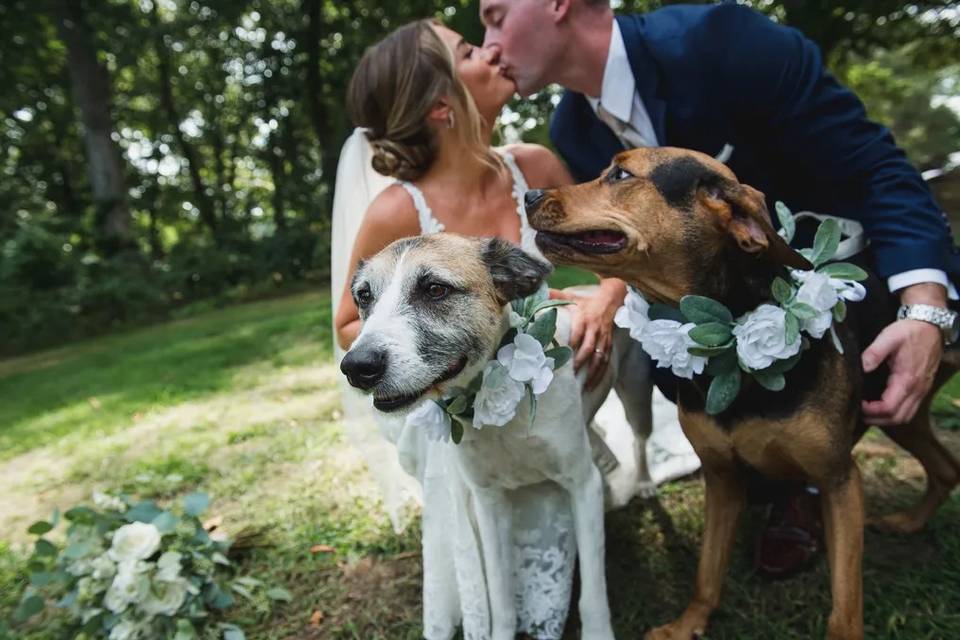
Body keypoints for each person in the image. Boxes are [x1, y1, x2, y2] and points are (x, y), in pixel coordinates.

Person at [480, 0, 959, 576]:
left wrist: (926, 309)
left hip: (848, 284)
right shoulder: (572, 128)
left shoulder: (722, 40)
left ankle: (801, 487)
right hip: (698, 328)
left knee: (826, 425)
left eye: (495, 15)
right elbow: (618, 241)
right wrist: (610, 292)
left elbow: (874, 168)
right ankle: (769, 479)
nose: (488, 45)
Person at [330, 19, 662, 638]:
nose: (493, 50)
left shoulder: (534, 163)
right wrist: (438, 354)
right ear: (439, 105)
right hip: (449, 385)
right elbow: (353, 320)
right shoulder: (397, 209)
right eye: (468, 49)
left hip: (549, 375)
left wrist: (604, 298)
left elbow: (612, 246)